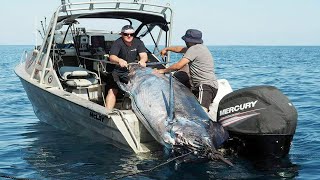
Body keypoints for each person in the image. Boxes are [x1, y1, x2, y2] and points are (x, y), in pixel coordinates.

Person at [155, 29, 218, 112]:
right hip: (207, 86)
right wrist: (167, 49)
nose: (185, 42)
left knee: (202, 112)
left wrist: (163, 71)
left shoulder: (194, 49)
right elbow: (179, 49)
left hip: (205, 86)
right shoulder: (199, 47)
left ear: (189, 41)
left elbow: (178, 66)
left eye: (186, 40)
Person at [105, 25, 148, 110]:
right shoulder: (117, 43)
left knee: (140, 87)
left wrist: (142, 60)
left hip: (130, 70)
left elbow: (144, 55)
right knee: (113, 89)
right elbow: (112, 56)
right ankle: (108, 112)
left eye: (131, 34)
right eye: (126, 34)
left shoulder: (138, 42)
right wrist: (119, 60)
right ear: (121, 34)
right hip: (115, 70)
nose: (129, 36)